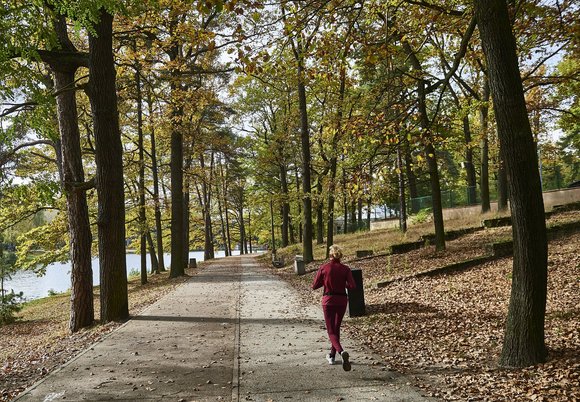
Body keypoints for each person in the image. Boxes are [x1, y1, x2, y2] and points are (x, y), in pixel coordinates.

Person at [311, 245, 356, 371]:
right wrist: (342, 283)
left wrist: (325, 282)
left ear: (330, 255)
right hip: (342, 301)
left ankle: (341, 352)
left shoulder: (324, 268)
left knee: (331, 331)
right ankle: (332, 356)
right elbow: (352, 286)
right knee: (336, 330)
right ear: (340, 256)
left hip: (329, 301)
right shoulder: (346, 269)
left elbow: (314, 285)